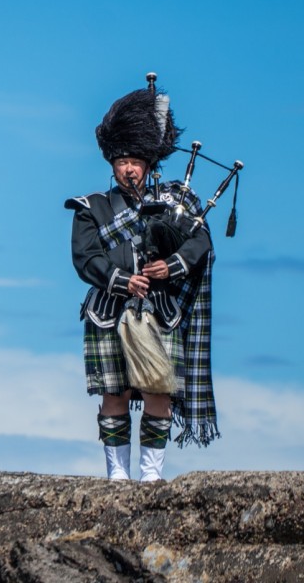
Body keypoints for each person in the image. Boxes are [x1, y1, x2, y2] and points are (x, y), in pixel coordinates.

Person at [65, 78, 219, 482]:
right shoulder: (92, 208)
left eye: (135, 160)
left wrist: (171, 266)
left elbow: (200, 240)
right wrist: (121, 280)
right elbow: (85, 258)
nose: (128, 168)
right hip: (108, 313)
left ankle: (151, 479)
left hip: (158, 312)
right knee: (113, 394)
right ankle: (118, 478)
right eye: (121, 162)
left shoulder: (172, 204)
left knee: (158, 392)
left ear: (149, 163)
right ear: (111, 164)